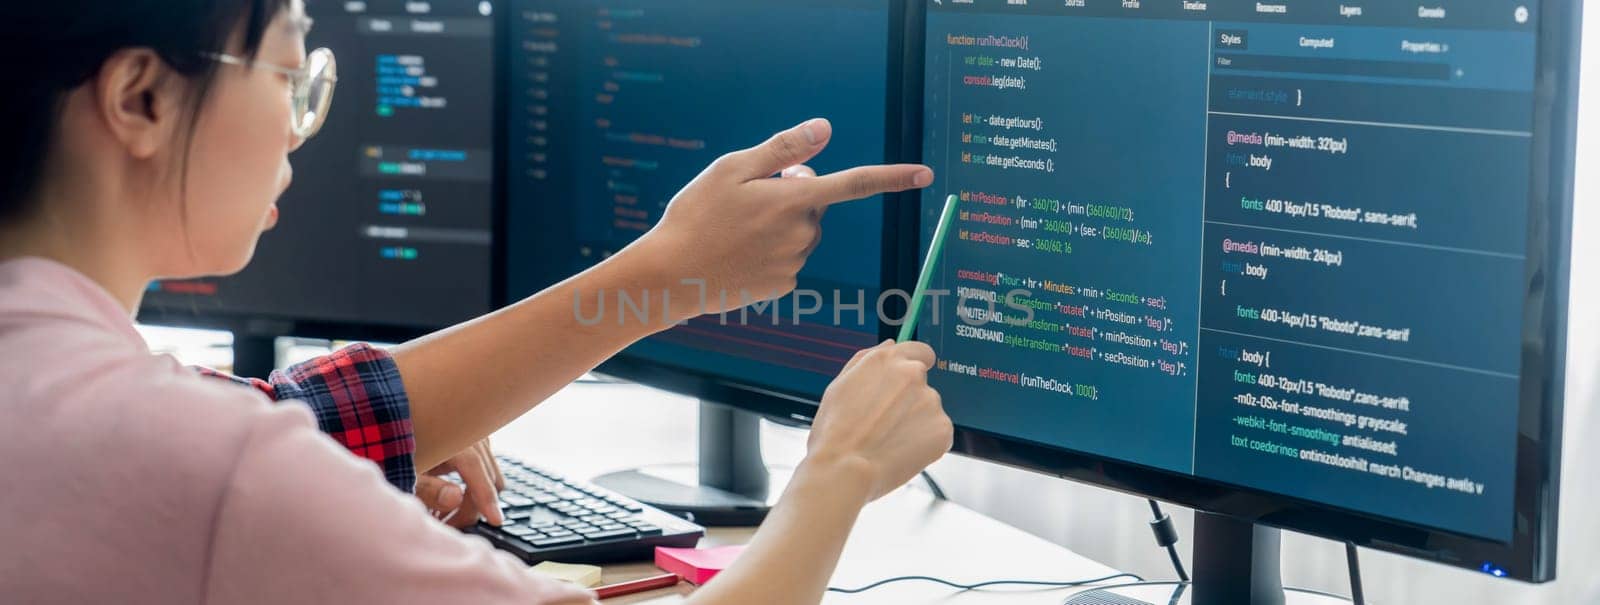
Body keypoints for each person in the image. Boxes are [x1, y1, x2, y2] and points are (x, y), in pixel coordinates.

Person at [0, 0, 955, 603]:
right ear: (140, 100)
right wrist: (840, 471)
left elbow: (277, 416)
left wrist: (666, 272)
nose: (303, 123)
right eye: (295, 73)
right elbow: (225, 457)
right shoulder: (208, 468)